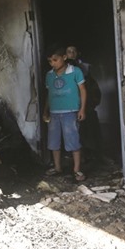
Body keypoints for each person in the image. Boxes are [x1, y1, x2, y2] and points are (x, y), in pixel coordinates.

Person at [43, 47, 87, 181]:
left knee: (73, 140)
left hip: (70, 112)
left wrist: (82, 109)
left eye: (55, 60)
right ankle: (57, 168)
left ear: (64, 57)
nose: (53, 63)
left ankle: (77, 170)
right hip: (54, 113)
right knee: (54, 142)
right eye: (50, 61)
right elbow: (48, 95)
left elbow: (83, 91)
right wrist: (46, 111)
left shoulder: (75, 71)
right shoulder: (49, 75)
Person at [66, 45, 103, 164]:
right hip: (69, 105)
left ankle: (90, 154)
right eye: (69, 51)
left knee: (88, 129)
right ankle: (75, 155)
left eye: (74, 51)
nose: (71, 53)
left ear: (78, 53)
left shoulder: (85, 68)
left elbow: (92, 88)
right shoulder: (63, 69)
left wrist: (91, 103)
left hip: (85, 104)